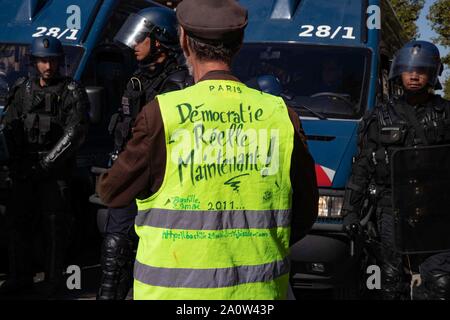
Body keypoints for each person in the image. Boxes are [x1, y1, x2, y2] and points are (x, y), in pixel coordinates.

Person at [98, 0, 318, 300]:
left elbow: (113, 192)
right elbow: (304, 214)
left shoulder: (161, 114)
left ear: (183, 40)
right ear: (239, 44)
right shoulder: (282, 115)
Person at [342, 40, 450, 300]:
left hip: (436, 210)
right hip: (391, 208)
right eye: (409, 70)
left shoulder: (446, 114)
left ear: (432, 74)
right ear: (398, 72)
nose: (414, 76)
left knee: (441, 283)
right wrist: (350, 212)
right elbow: (363, 167)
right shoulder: (379, 116)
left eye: (422, 70)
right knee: (389, 283)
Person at [96, 6, 191, 300]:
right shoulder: (137, 78)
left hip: (163, 183)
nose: (135, 45)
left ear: (160, 41)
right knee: (114, 245)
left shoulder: (178, 84)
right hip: (132, 170)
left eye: (142, 38)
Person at [0, 36, 89, 297]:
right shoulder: (22, 89)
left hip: (54, 172)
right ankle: (19, 276)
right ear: (34, 62)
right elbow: (10, 125)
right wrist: (16, 162)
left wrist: (46, 164)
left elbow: (75, 132)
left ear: (59, 62)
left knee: (54, 227)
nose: (47, 67)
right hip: (24, 169)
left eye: (51, 61)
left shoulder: (71, 91)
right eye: (42, 61)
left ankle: (53, 280)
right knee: (18, 224)